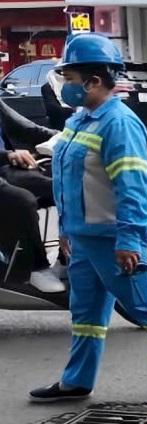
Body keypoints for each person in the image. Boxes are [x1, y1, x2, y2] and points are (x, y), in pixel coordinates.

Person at [29, 33, 147, 406]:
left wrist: (130, 241)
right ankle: (77, 381)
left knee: (145, 307)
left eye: (70, 79)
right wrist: (65, 231)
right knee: (86, 314)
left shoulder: (118, 124)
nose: (65, 86)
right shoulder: (79, 120)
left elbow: (132, 189)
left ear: (93, 80)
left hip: (112, 239)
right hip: (83, 238)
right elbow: (68, 182)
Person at [0, 98, 65, 292]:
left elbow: (26, 128)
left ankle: (67, 259)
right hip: (4, 163)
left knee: (66, 187)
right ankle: (35, 268)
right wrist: (8, 155)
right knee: (20, 200)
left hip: (5, 167)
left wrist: (66, 137)